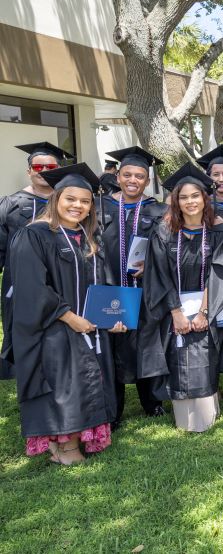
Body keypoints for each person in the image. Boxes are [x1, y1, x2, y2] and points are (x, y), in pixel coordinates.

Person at [8, 163, 126, 465]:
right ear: (56, 198)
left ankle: (69, 445)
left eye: (85, 201)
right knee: (64, 383)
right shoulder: (34, 235)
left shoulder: (86, 238)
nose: (78, 206)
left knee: (86, 379)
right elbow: (32, 287)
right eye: (70, 199)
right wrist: (69, 316)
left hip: (88, 327)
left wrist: (113, 316)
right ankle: (66, 447)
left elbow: (104, 284)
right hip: (53, 327)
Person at [139, 164, 223, 432]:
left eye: (195, 196)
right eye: (183, 197)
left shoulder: (218, 230)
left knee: (205, 351)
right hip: (174, 308)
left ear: (204, 198)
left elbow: (220, 271)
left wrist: (204, 312)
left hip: (208, 305)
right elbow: (158, 274)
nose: (190, 202)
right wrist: (176, 312)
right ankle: (183, 410)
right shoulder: (164, 231)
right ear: (175, 201)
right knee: (178, 352)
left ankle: (209, 405)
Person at [97, 146, 168, 425]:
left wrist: (149, 266)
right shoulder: (99, 206)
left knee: (147, 342)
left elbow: (167, 250)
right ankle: (113, 409)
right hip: (109, 287)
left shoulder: (158, 210)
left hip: (144, 289)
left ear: (147, 181)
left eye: (139, 176)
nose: (133, 180)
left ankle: (152, 401)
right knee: (111, 345)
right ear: (118, 176)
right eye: (127, 174)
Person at [0, 142, 72, 380]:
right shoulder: (10, 204)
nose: (43, 170)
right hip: (20, 282)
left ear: (58, 170)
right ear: (29, 170)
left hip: (62, 281)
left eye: (50, 166)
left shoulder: (70, 204)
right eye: (37, 166)